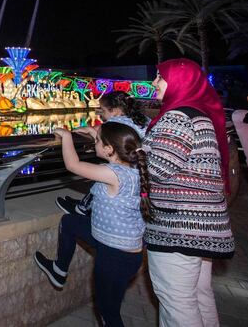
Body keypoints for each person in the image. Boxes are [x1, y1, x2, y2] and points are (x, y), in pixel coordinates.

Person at [145, 58, 234, 327]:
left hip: (179, 228)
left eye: (160, 77)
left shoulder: (177, 117)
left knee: (177, 302)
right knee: (198, 295)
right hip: (200, 225)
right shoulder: (199, 115)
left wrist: (125, 152)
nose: (153, 83)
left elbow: (156, 170)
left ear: (179, 82)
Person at [34, 122, 151, 327]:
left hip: (114, 257)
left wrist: (67, 136)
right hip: (119, 247)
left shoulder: (113, 174)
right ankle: (59, 270)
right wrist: (94, 132)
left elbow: (73, 165)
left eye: (97, 140)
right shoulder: (135, 167)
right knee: (70, 222)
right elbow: (110, 146)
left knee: (108, 313)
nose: (94, 142)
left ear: (109, 149)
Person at [56, 91, 150, 215]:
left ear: (115, 111)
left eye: (103, 111)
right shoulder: (144, 120)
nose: (102, 116)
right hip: (142, 166)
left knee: (103, 172)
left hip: (127, 167)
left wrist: (71, 134)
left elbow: (105, 144)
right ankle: (85, 204)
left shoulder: (115, 125)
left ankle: (84, 208)